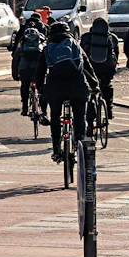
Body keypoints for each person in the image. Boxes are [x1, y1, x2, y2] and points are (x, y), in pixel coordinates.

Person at [41, 18, 96, 161]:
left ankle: (56, 149)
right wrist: (94, 84)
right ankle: (79, 144)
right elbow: (87, 67)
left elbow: (40, 71)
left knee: (55, 117)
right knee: (79, 116)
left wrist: (41, 89)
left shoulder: (47, 48)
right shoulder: (75, 46)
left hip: (56, 88)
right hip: (77, 87)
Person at [82, 18, 121, 126]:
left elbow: (82, 54)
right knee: (107, 85)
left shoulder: (86, 37)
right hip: (107, 67)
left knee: (91, 91)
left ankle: (89, 119)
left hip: (91, 68)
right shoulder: (112, 38)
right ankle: (109, 109)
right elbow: (115, 55)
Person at [11, 14, 47, 116]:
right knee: (42, 89)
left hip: (24, 68)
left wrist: (15, 75)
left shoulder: (21, 45)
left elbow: (15, 61)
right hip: (38, 69)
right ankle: (44, 111)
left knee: (25, 86)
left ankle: (25, 108)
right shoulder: (42, 45)